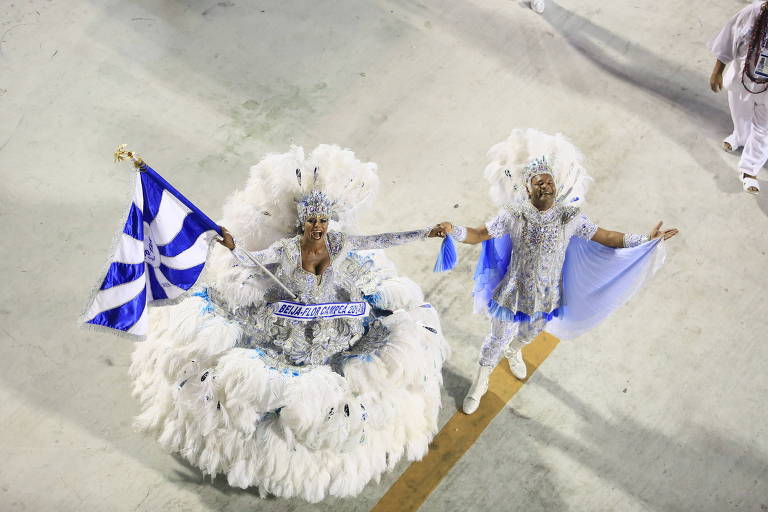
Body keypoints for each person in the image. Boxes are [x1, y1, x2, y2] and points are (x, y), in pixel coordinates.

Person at [129, 145, 449, 502]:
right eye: (311, 221)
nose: (317, 227)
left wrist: (426, 233)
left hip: (337, 324)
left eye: (322, 222)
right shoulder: (285, 251)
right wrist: (232, 246)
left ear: (328, 223)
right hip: (285, 328)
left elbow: (380, 240)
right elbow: (254, 261)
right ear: (302, 223)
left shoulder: (339, 243)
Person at [432, 129, 678, 415]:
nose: (546, 186)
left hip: (546, 295)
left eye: (549, 181)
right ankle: (480, 381)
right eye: (539, 183)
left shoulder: (570, 217)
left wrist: (644, 239)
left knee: (531, 333)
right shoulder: (514, 214)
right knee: (495, 339)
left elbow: (608, 237)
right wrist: (453, 230)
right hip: (513, 292)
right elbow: (478, 234)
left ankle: (515, 350)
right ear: (528, 189)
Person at [709, 1, 768, 194]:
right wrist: (717, 71)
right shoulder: (752, 12)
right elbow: (728, 39)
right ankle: (740, 137)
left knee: (763, 129)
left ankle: (749, 171)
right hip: (741, 79)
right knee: (740, 116)